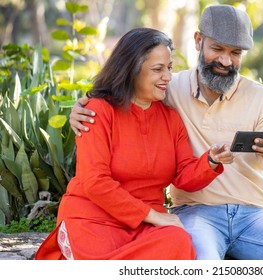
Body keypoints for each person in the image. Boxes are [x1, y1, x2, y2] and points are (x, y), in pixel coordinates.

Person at [69, 5, 263, 260]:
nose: (225, 60)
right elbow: (124, 92)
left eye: (235, 53)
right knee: (199, 259)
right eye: (217, 49)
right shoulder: (170, 89)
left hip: (254, 214)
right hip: (196, 212)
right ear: (198, 41)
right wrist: (82, 107)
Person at [35, 27, 234, 260]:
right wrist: (154, 215)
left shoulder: (170, 118)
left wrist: (210, 161)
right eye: (158, 69)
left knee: (177, 241)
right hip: (94, 219)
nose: (168, 77)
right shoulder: (97, 111)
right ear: (131, 70)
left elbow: (184, 175)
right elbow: (94, 182)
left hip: (146, 227)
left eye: (169, 68)